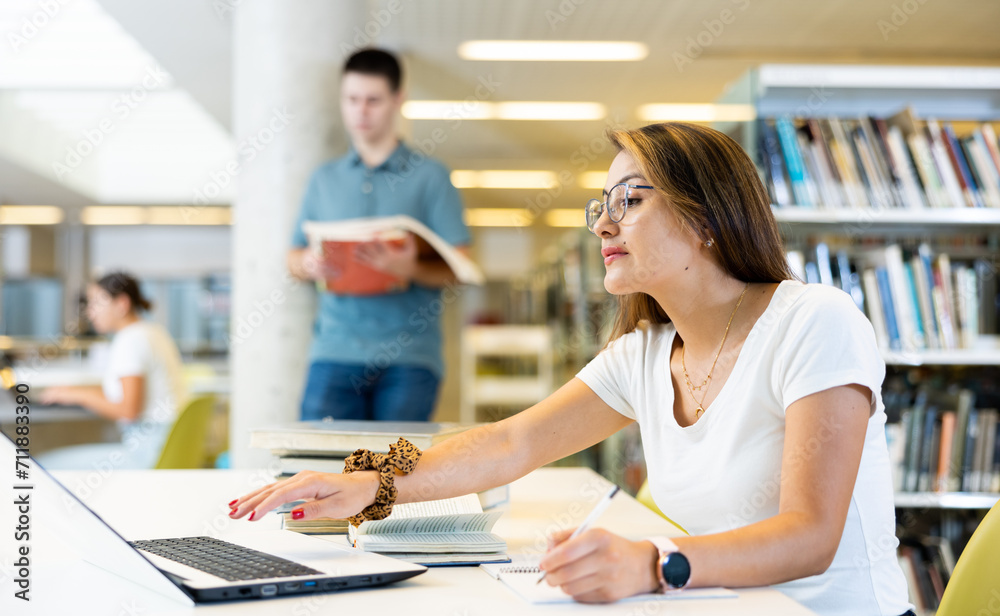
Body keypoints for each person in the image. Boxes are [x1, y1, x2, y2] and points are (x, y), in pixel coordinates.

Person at [229, 123, 913, 616]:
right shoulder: (647, 353)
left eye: (631, 201)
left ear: (706, 219)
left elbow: (810, 536)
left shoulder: (813, 322)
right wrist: (370, 481)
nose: (604, 226)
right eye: (602, 207)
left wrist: (651, 564)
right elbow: (508, 443)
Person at [287, 47, 471, 423]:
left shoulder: (431, 177)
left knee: (394, 478)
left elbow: (460, 266)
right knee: (319, 471)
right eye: (352, 100)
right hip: (333, 351)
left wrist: (410, 269)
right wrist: (306, 263)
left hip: (409, 358)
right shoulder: (324, 179)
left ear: (397, 100)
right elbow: (292, 257)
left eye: (373, 100)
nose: (361, 112)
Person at [38, 271, 187, 470]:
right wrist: (75, 393)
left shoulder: (130, 340)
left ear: (122, 304)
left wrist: (77, 395)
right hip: (168, 447)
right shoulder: (153, 332)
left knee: (40, 467)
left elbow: (128, 410)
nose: (90, 312)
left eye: (96, 303)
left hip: (145, 454)